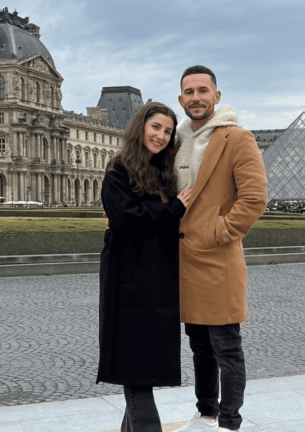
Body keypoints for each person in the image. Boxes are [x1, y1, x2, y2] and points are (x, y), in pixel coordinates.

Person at [173, 66, 267, 432]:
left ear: (216, 96)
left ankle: (229, 422)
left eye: (202, 90)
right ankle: (206, 413)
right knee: (199, 347)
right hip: (184, 261)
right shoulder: (177, 141)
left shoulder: (237, 138)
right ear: (181, 100)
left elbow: (255, 197)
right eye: (189, 92)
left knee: (227, 347)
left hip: (217, 259)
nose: (195, 97)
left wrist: (222, 231)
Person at [98, 102, 194, 432]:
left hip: (159, 283)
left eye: (168, 131)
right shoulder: (118, 169)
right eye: (156, 128)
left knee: (141, 370)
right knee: (136, 373)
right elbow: (127, 219)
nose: (162, 136)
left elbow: (141, 220)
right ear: (141, 127)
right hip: (129, 283)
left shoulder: (165, 172)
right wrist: (175, 208)